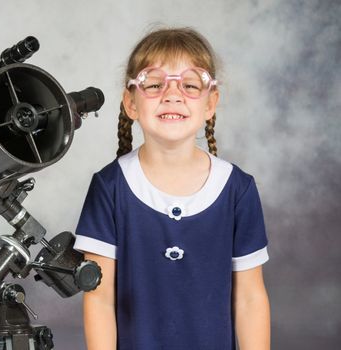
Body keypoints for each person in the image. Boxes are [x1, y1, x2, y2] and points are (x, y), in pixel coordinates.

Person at [73, 27, 270, 350]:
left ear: (211, 104)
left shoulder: (238, 189)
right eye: (154, 84)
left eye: (190, 85)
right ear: (131, 103)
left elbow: (250, 298)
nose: (172, 94)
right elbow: (100, 300)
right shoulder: (109, 187)